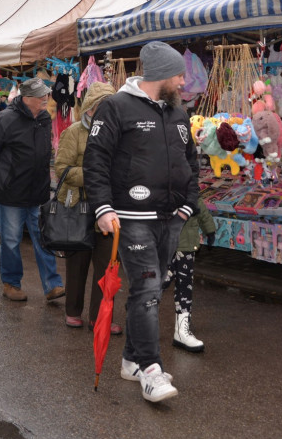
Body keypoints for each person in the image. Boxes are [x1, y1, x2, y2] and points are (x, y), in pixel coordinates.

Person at [84, 40, 199, 403]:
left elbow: (191, 165)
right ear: (162, 74)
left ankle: (132, 360)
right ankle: (151, 370)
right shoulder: (116, 107)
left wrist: (187, 206)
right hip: (131, 218)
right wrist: (103, 208)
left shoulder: (178, 114)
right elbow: (96, 160)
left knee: (150, 290)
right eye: (180, 75)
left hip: (170, 218)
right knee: (148, 291)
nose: (184, 82)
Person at [0, 78, 65, 303]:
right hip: (11, 192)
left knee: (43, 238)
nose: (46, 99)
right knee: (10, 240)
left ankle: (53, 285)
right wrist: (1, 179)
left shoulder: (45, 118)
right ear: (27, 98)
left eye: (46, 95)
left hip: (38, 190)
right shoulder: (5, 119)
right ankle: (11, 284)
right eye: (41, 96)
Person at [53, 81, 122, 333]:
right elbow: (62, 170)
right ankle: (73, 311)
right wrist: (97, 174)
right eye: (104, 106)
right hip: (79, 207)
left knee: (107, 267)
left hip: (109, 207)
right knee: (77, 264)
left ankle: (100, 317)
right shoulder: (73, 132)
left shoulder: (118, 132)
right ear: (91, 108)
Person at [163, 198, 216, 352]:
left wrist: (209, 229)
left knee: (185, 289)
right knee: (159, 284)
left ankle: (181, 331)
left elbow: (200, 207)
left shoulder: (188, 183)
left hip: (186, 246)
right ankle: (140, 317)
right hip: (165, 245)